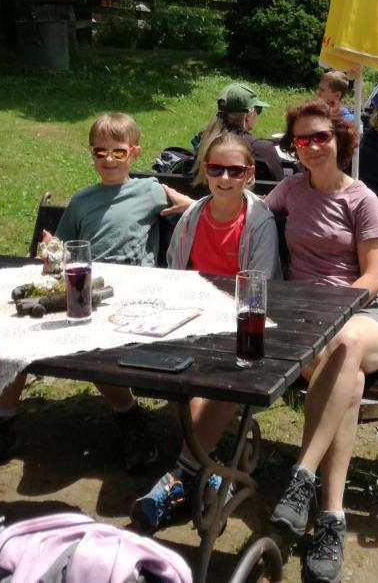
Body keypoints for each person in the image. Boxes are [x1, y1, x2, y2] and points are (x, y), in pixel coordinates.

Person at [0, 113, 191, 481]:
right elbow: (61, 250)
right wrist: (51, 252)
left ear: (134, 153)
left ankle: (129, 417)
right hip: (85, 288)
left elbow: (195, 208)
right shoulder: (82, 201)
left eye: (119, 152)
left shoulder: (150, 190)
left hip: (134, 294)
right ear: (91, 153)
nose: (109, 159)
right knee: (19, 333)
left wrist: (182, 205)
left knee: (93, 347)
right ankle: (1, 424)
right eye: (101, 152)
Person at [264, 100, 378, 583]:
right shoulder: (290, 191)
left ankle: (301, 476)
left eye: (321, 136)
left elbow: (374, 277)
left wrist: (332, 311)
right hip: (305, 326)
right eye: (303, 139)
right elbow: (246, 211)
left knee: (345, 348)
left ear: (341, 140)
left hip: (364, 319)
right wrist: (188, 202)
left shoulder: (361, 199)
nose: (313, 146)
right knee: (350, 383)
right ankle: (332, 518)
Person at [131, 133, 282, 532]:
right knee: (176, 369)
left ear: (249, 174)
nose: (226, 178)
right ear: (205, 171)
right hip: (192, 317)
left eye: (236, 170)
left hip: (242, 322)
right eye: (216, 169)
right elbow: (175, 273)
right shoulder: (195, 215)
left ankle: (182, 474)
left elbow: (258, 285)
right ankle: (212, 469)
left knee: (221, 373)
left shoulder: (259, 220)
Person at [193, 83, 283, 185]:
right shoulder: (261, 148)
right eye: (258, 110)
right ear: (249, 115)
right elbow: (279, 186)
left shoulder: (204, 142)